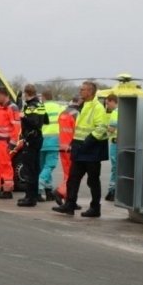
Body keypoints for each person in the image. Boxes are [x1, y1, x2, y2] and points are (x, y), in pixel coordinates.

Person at [53, 81, 109, 217]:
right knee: (73, 178)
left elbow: (101, 128)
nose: (80, 91)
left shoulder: (97, 107)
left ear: (90, 92)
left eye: (82, 89)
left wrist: (87, 142)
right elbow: (79, 127)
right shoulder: (83, 105)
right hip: (79, 147)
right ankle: (70, 205)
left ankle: (95, 208)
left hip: (92, 149)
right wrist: (74, 143)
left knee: (93, 181)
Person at [15, 84, 48, 207]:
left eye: (24, 93)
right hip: (37, 138)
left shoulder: (32, 105)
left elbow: (34, 122)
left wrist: (24, 117)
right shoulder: (40, 104)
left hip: (31, 139)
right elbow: (46, 120)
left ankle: (29, 198)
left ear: (27, 93)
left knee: (29, 170)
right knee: (34, 169)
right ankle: (33, 196)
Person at [53, 96, 81, 206]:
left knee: (67, 174)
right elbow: (78, 130)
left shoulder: (63, 113)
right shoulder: (76, 114)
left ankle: (69, 199)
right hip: (71, 148)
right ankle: (60, 192)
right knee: (73, 175)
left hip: (62, 147)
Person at [38, 90, 63, 202]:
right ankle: (39, 184)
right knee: (50, 166)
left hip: (41, 140)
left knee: (43, 166)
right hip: (53, 141)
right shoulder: (59, 108)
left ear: (43, 97)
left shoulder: (40, 107)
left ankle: (48, 189)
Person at [105, 94, 119, 202]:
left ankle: (112, 191)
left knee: (115, 168)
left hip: (115, 143)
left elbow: (111, 129)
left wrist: (105, 127)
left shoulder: (115, 112)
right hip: (123, 143)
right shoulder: (122, 111)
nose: (107, 105)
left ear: (113, 101)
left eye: (107, 103)